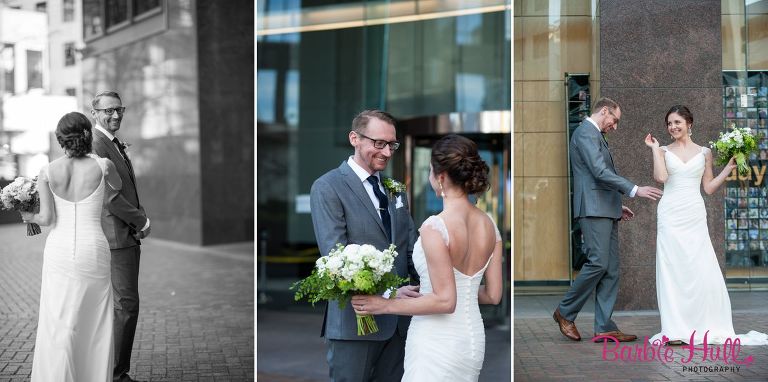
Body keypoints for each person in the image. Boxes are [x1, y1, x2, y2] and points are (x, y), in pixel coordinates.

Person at [351, 134, 503, 381]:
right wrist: (435, 289)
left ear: (441, 177)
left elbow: (445, 301)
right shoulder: (490, 226)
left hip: (436, 339)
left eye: (431, 171)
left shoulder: (435, 227)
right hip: (471, 339)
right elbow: (492, 295)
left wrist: (385, 305)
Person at [310, 109, 421, 381]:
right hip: (354, 323)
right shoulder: (328, 187)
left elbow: (411, 249)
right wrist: (392, 293)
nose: (386, 152)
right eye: (378, 143)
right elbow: (335, 256)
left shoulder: (395, 189)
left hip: (399, 325)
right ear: (354, 139)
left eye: (392, 144)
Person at [645, 105, 768, 346]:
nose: (673, 127)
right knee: (672, 268)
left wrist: (729, 169)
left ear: (689, 123)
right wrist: (653, 150)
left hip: (693, 213)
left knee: (699, 266)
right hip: (670, 213)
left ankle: (701, 324)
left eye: (678, 122)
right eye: (670, 123)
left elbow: (709, 188)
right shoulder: (662, 150)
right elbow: (661, 178)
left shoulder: (705, 152)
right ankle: (675, 328)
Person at [553, 97, 664, 343]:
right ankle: (565, 311)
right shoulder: (585, 133)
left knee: (611, 270)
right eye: (614, 119)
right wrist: (635, 189)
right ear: (605, 111)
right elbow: (599, 172)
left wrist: (616, 204)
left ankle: (604, 326)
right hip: (593, 210)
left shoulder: (593, 135)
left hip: (604, 208)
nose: (615, 126)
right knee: (598, 264)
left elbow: (597, 178)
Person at [22, 112, 122, 381]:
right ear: (87, 135)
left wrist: (28, 216)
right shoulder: (104, 166)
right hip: (94, 249)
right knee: (96, 320)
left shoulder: (47, 171)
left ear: (61, 139)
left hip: (59, 252)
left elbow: (47, 219)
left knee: (59, 320)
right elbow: (117, 188)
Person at [90, 91, 150, 382]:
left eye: (119, 109)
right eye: (108, 111)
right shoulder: (97, 143)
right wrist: (142, 220)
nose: (116, 115)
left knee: (120, 305)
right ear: (94, 113)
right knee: (127, 304)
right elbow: (110, 197)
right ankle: (117, 374)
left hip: (122, 233)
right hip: (116, 238)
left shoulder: (110, 142)